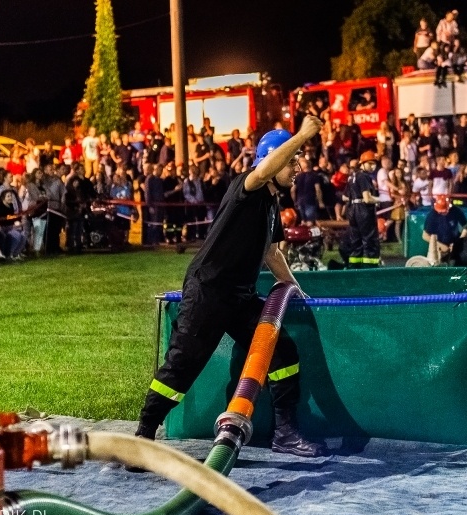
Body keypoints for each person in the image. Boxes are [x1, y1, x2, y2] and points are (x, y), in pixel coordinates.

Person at [135, 116, 326, 458]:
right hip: (209, 291)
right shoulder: (248, 185)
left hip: (240, 297)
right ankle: (143, 436)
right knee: (182, 366)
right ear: (274, 159)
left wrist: (296, 289)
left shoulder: (273, 203)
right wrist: (302, 135)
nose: (297, 167)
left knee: (282, 351)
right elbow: (263, 171)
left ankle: (285, 433)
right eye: (292, 161)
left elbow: (272, 253)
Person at [343, 151, 381, 268]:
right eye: (370, 163)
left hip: (352, 211)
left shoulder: (352, 177)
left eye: (374, 164)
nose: (373, 166)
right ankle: (370, 268)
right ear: (362, 164)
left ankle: (354, 267)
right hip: (364, 211)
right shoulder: (364, 176)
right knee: (369, 239)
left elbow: (344, 197)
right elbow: (367, 199)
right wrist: (379, 200)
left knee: (356, 240)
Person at [422, 195, 467, 263]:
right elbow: (425, 235)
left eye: (443, 211)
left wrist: (459, 242)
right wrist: (441, 245)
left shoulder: (456, 211)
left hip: (455, 243)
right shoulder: (432, 215)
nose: (440, 213)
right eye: (439, 211)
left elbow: (466, 227)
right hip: (438, 246)